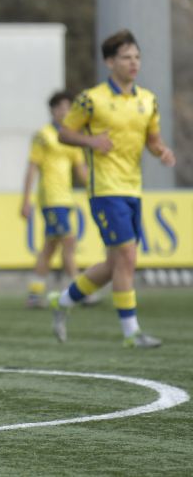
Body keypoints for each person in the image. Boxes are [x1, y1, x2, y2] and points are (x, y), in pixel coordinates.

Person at [50, 29, 175, 348]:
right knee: (127, 257)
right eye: (126, 57)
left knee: (115, 264)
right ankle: (131, 333)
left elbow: (152, 139)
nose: (134, 63)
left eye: (137, 57)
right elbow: (64, 133)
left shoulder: (147, 100)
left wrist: (161, 151)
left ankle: (63, 301)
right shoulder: (92, 99)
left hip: (133, 189)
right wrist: (91, 141)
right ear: (109, 62)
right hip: (105, 189)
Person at [21, 91, 89, 308]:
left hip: (66, 198)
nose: (65, 112)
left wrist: (98, 188)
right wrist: (26, 200)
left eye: (68, 108)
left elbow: (81, 169)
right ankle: (80, 292)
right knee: (69, 242)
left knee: (50, 248)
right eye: (60, 107)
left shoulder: (71, 137)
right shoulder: (43, 135)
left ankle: (34, 294)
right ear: (52, 110)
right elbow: (32, 168)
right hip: (51, 198)